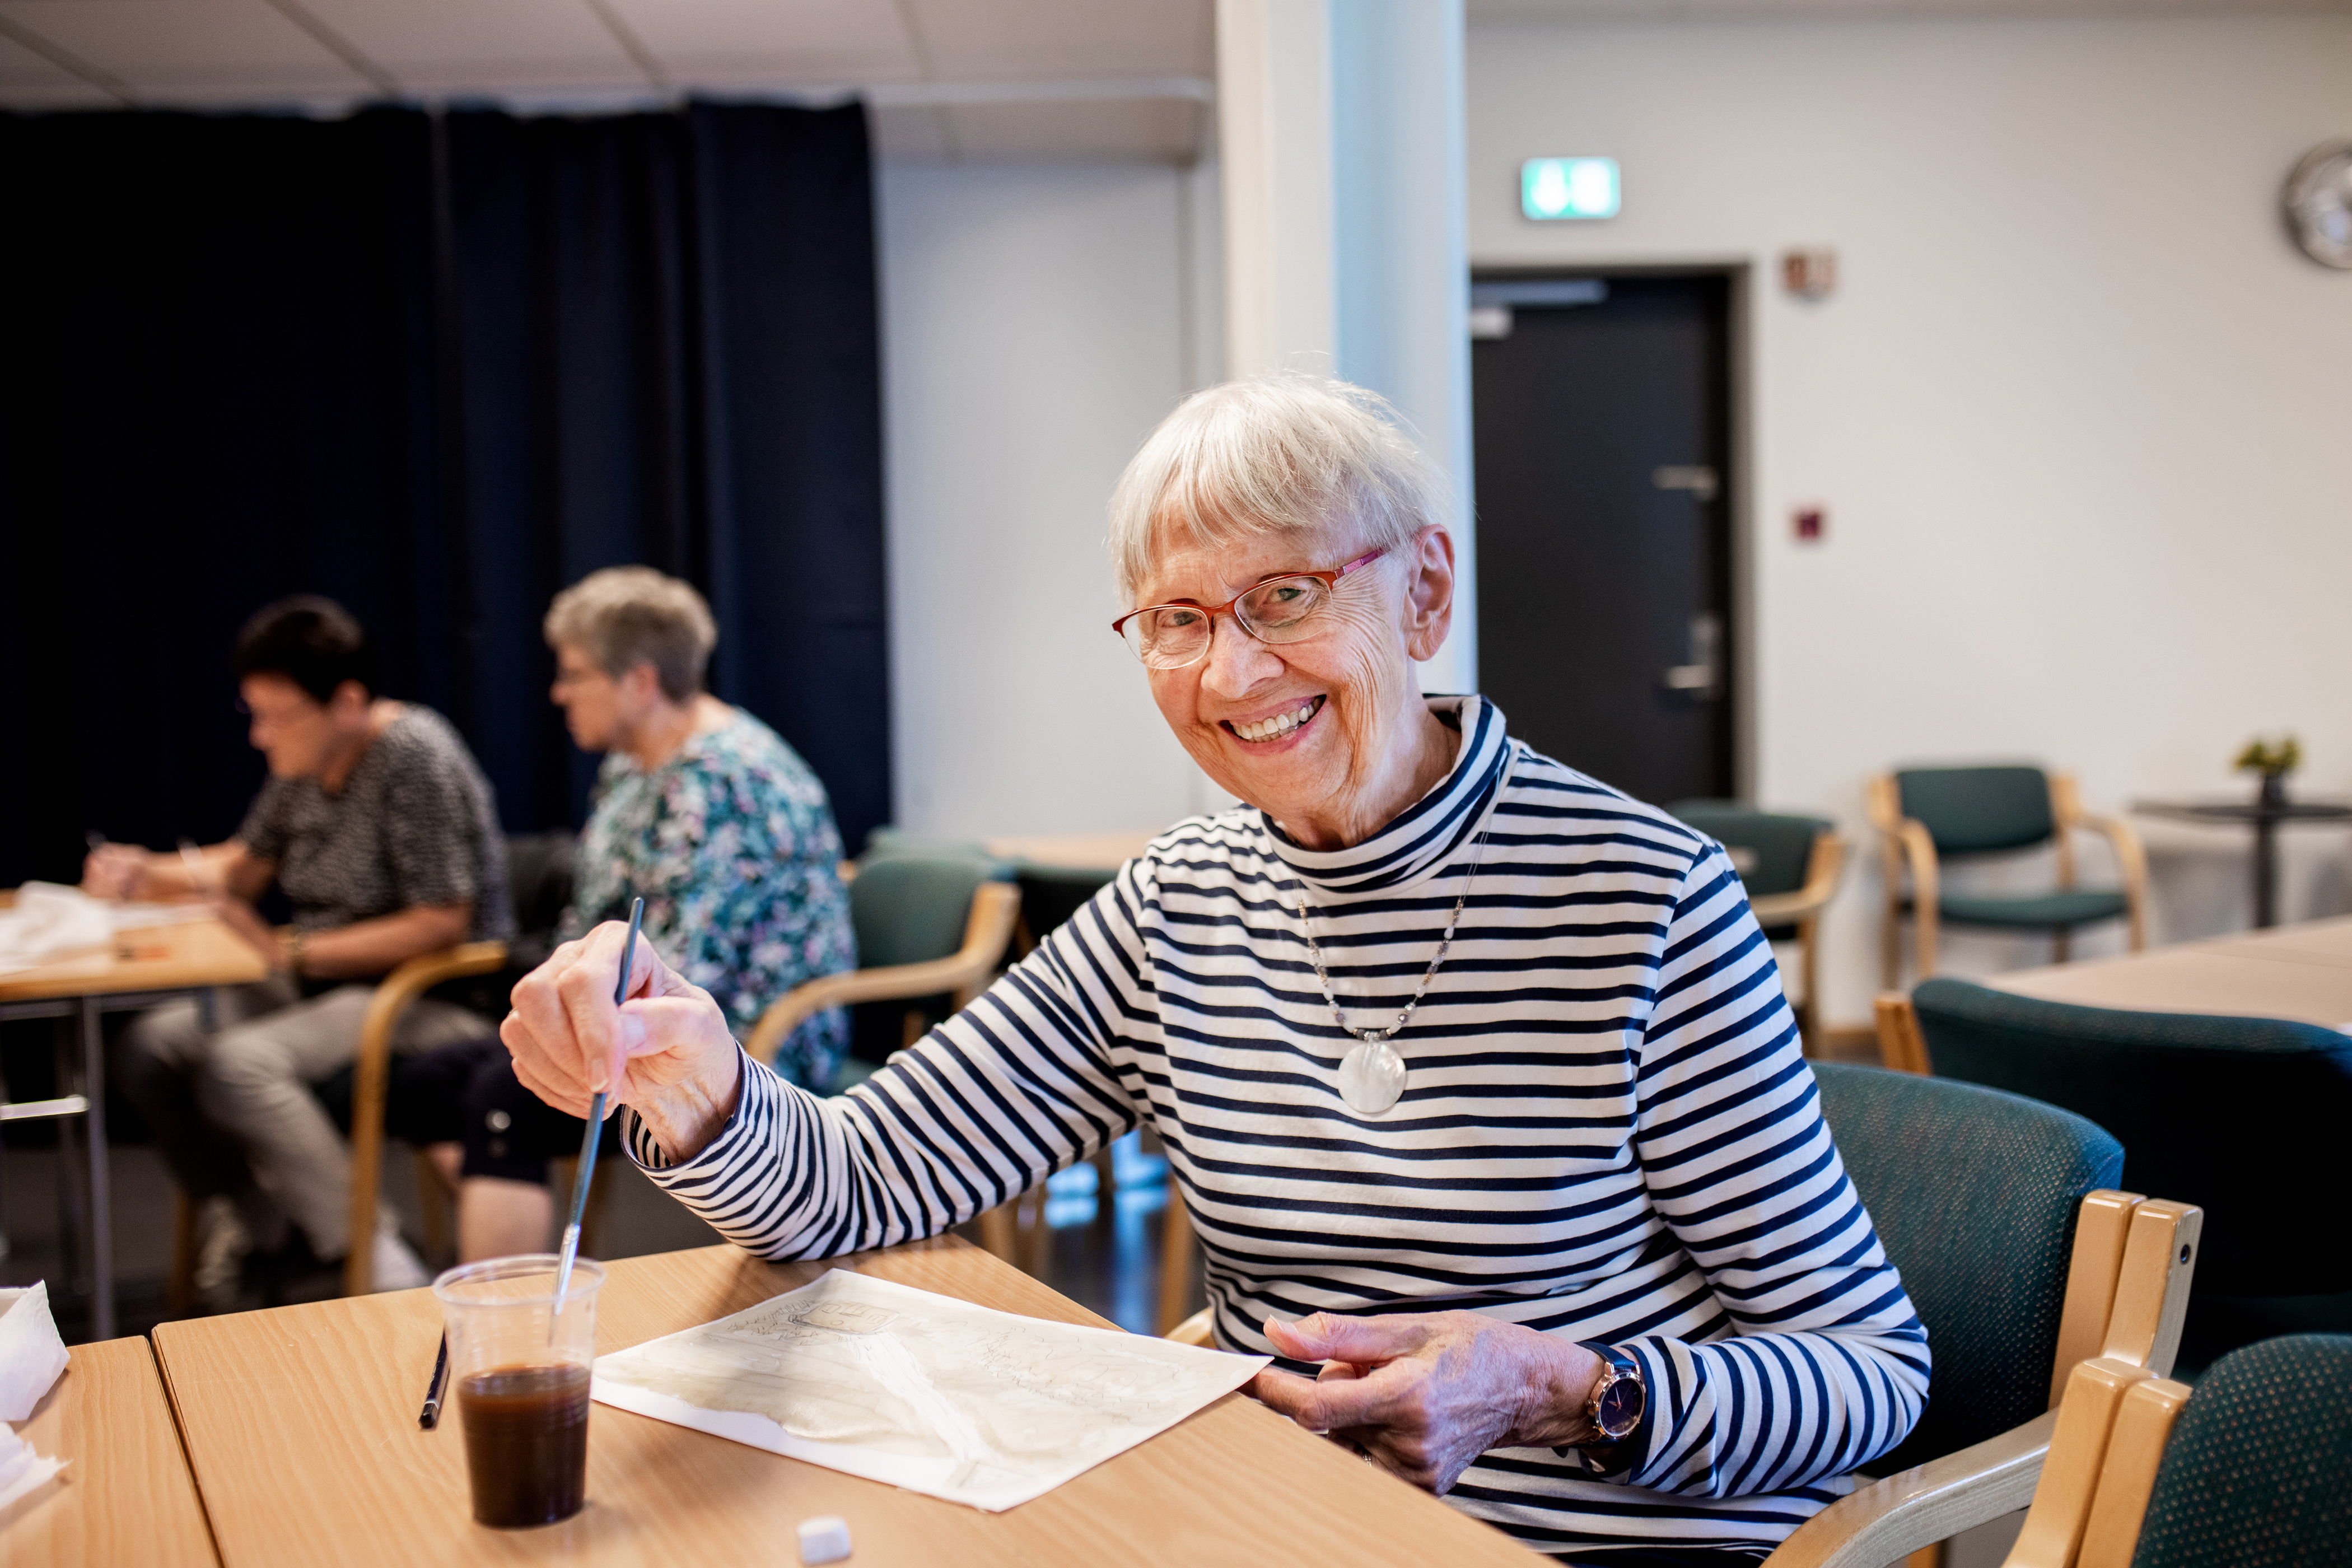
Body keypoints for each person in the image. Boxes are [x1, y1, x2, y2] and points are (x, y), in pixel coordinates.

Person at [500, 379, 1928, 1565]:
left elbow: (1872, 1372)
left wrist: (1568, 1392)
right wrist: (695, 1087)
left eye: (1287, 595)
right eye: (1177, 621)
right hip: (1286, 1522)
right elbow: (859, 1184)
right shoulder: (1183, 903)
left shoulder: (1645, 899)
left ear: (1423, 590)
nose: (1232, 675)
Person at [399, 566, 855, 1261]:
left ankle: (521, 1331)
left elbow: (685, 972)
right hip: (635, 1011)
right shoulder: (630, 766)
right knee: (433, 1080)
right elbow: (595, 923)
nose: (558, 692)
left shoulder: (724, 782)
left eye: (575, 674)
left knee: (504, 1097)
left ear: (639, 681)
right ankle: (520, 1260)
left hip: (751, 1033)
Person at [91, 597, 512, 1294]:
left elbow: (442, 922)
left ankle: (375, 1258)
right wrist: (146, 872)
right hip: (320, 982)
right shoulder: (305, 763)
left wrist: (291, 952)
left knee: (240, 1063)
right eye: (253, 713)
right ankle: (268, 1225)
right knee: (152, 1047)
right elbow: (244, 866)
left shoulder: (414, 758)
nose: (260, 734)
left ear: (347, 702)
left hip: (423, 990)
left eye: (277, 716)